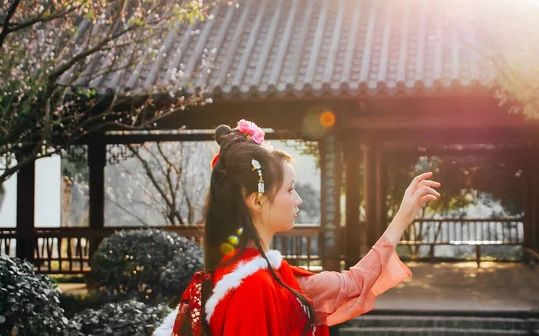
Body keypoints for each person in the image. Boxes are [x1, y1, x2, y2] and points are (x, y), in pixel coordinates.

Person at [153, 120, 441, 336]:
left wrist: (402, 217)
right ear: (257, 200)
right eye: (290, 190)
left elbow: (352, 284)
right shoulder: (252, 287)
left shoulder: (259, 275)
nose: (298, 199)